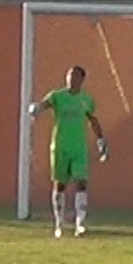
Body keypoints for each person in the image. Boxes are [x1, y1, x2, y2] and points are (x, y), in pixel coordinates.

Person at [28, 65, 109, 238]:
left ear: (81, 79)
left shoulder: (86, 99)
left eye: (74, 76)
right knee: (60, 184)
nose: (71, 79)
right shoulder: (58, 96)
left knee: (81, 182)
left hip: (78, 147)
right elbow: (44, 105)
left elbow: (93, 119)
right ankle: (59, 222)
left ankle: (80, 223)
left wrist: (101, 139)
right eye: (69, 76)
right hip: (60, 146)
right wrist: (36, 109)